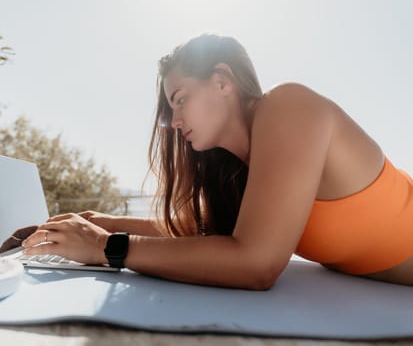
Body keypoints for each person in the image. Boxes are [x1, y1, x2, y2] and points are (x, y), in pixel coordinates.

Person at [22, 34, 413, 289]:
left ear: (223, 81)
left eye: (179, 100)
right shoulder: (246, 167)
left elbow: (256, 263)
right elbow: (199, 231)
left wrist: (106, 246)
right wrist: (99, 222)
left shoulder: (288, 106)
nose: (174, 123)